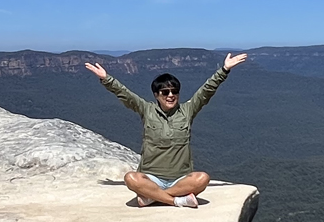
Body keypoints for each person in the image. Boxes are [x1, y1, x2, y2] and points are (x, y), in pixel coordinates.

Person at [84, 52, 247, 208]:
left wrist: (224, 70)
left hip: (180, 179)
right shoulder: (146, 110)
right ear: (156, 95)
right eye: (165, 92)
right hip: (151, 177)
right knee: (131, 178)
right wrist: (106, 79)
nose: (170, 95)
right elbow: (125, 94)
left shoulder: (187, 111)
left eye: (174, 91)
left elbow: (206, 91)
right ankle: (176, 201)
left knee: (202, 179)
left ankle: (152, 197)